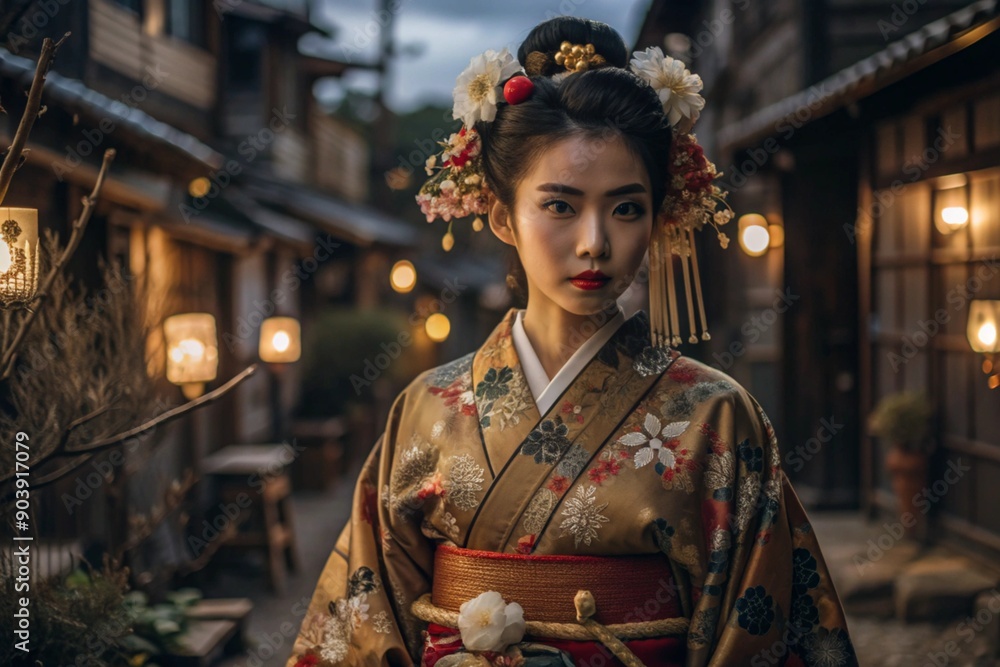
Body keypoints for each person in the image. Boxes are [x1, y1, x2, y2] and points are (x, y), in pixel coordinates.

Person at [287, 16, 858, 667]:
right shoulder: (426, 407)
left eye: (626, 207)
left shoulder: (717, 416)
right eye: (559, 206)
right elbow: (362, 621)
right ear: (502, 216)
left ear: (659, 215)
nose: (594, 241)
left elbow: (766, 628)